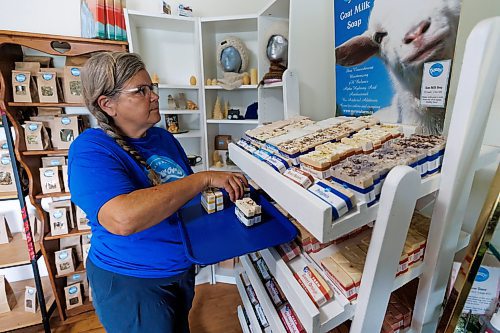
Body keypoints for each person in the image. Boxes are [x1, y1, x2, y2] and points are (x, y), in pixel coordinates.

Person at [68, 52, 248, 333]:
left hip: (180, 272)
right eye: (141, 91)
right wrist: (204, 178)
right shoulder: (91, 149)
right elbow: (123, 219)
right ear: (108, 104)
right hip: (134, 283)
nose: (154, 97)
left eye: (152, 88)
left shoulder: (163, 138)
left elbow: (181, 199)